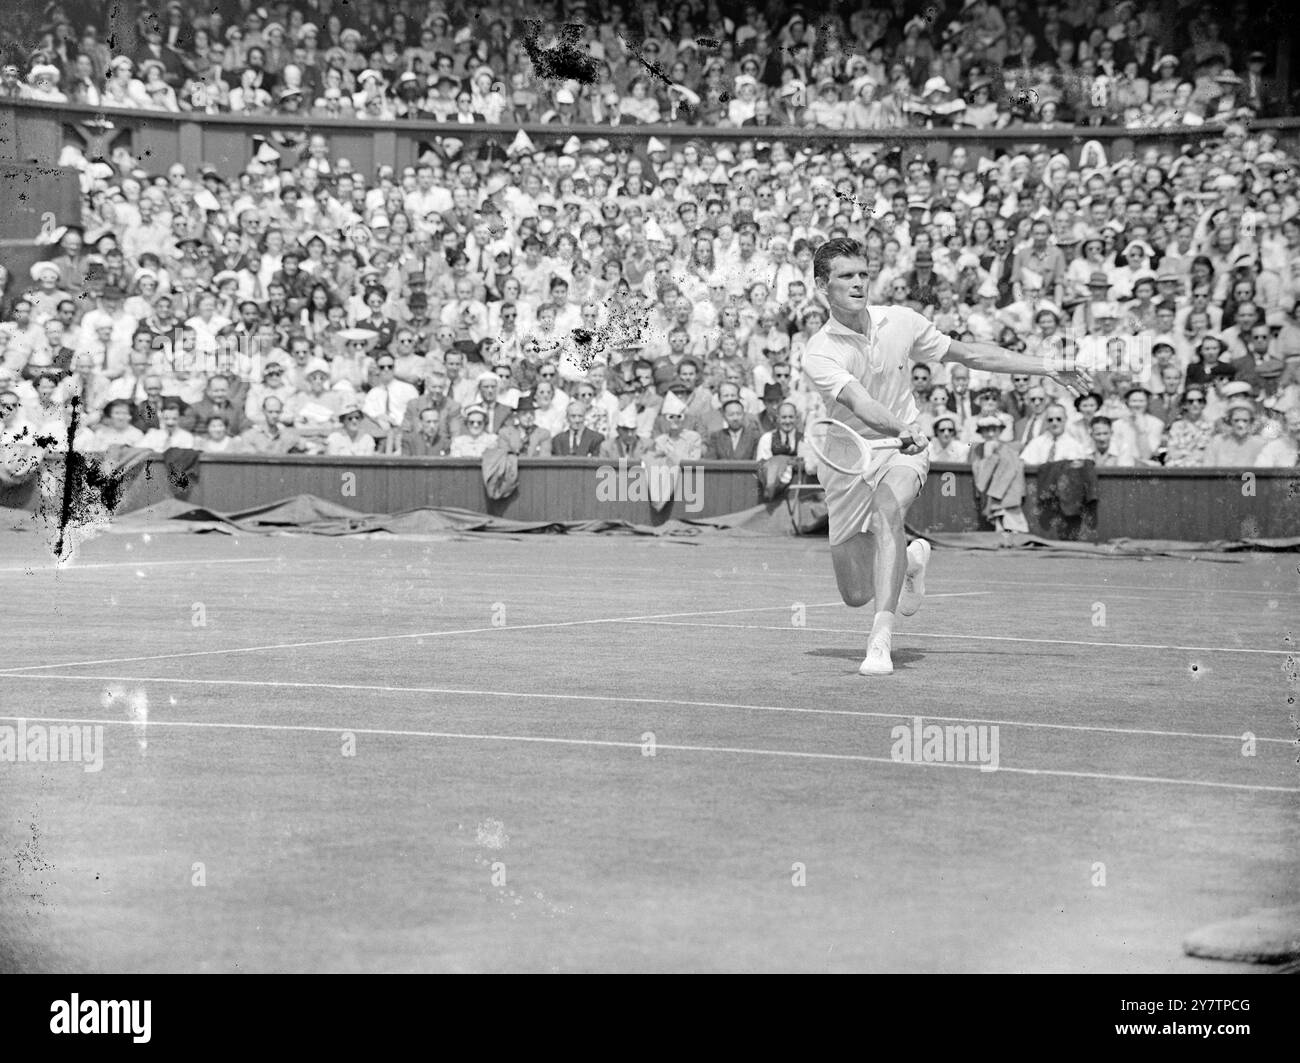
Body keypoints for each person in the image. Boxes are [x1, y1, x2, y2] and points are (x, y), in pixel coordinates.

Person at [802, 238, 1088, 676]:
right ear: (823, 285)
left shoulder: (901, 320)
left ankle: (880, 640)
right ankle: (912, 561)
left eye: (863, 273)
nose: (859, 283)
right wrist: (900, 428)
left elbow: (970, 354)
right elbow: (861, 405)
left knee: (886, 514)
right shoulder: (820, 351)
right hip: (851, 459)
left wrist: (1046, 364)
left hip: (902, 453)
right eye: (846, 276)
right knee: (854, 593)